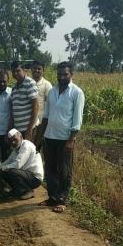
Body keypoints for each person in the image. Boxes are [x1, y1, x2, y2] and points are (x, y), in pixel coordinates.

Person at [38, 61, 85, 213]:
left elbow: (77, 120)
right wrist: (40, 136)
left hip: (65, 138)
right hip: (50, 136)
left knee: (65, 170)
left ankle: (62, 199)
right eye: (59, 74)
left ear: (71, 74)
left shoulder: (76, 92)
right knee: (50, 168)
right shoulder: (52, 91)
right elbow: (46, 116)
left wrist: (71, 140)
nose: (61, 77)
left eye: (65, 74)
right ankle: (52, 197)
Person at [0, 129, 43, 200]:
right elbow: (8, 161)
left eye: (15, 139)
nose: (13, 142)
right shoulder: (17, 148)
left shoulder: (26, 146)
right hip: (26, 175)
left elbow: (18, 165)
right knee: (4, 171)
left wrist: (1, 168)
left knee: (12, 171)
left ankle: (28, 191)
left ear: (21, 137)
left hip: (35, 178)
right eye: (11, 140)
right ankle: (16, 190)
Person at [10, 61, 39, 141]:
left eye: (18, 71)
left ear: (24, 70)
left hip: (29, 129)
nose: (15, 73)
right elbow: (13, 110)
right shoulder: (14, 87)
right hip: (18, 131)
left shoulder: (30, 83)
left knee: (30, 152)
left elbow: (35, 106)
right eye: (13, 71)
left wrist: (29, 129)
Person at [31, 60, 52, 152]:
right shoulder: (28, 82)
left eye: (39, 69)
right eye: (35, 68)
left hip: (41, 122)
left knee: (38, 147)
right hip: (29, 121)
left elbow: (50, 104)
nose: (37, 70)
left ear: (43, 70)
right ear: (31, 69)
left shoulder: (47, 85)